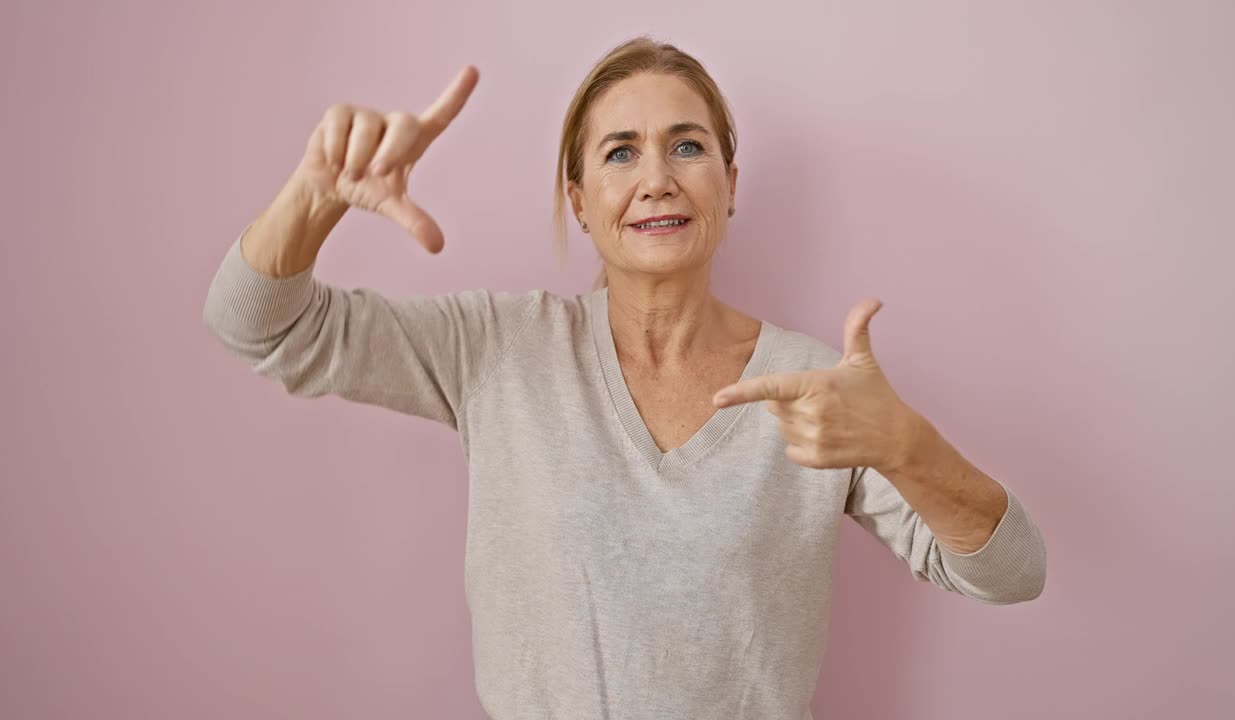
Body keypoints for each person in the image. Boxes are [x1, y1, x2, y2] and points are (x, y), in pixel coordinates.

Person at [203, 36, 1045, 720]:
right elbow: (257, 325)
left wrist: (907, 445)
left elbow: (1012, 573)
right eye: (619, 152)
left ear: (730, 185)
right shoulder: (499, 347)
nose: (656, 179)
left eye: (688, 146)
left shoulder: (812, 386)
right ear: (578, 196)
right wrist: (314, 196)